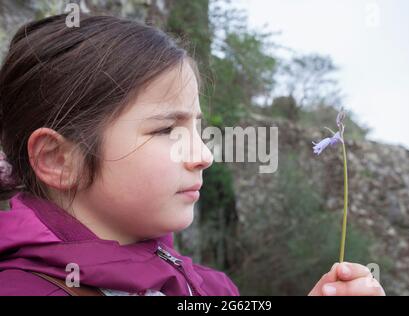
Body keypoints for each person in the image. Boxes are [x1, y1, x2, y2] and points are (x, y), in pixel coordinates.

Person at [0, 13, 385, 296]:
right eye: (167, 129)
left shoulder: (210, 287)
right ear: (57, 159)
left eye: (197, 128)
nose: (204, 155)